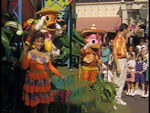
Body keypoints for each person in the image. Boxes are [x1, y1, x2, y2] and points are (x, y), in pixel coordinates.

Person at [21, 30, 65, 113]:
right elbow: (24, 67)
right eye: (38, 42)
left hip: (43, 83)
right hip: (33, 83)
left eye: (41, 42)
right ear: (34, 42)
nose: (39, 44)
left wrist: (59, 75)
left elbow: (50, 66)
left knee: (45, 106)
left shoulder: (46, 54)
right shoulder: (30, 53)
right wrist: (25, 53)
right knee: (34, 107)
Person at [112, 23, 139, 107]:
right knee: (117, 80)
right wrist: (118, 66)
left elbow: (128, 34)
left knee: (122, 80)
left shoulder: (123, 38)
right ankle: (113, 99)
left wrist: (134, 29)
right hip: (119, 60)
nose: (127, 30)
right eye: (127, 29)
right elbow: (115, 53)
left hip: (124, 60)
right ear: (123, 29)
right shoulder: (117, 39)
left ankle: (118, 98)